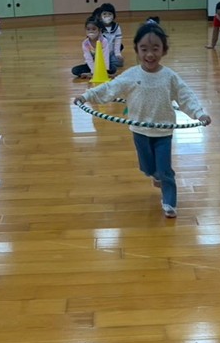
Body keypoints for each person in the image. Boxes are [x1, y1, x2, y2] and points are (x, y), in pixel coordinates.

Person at [73, 22, 211, 219]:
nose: (150, 54)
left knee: (165, 169)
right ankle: (155, 175)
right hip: (139, 131)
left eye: (155, 49)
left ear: (164, 50)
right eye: (144, 49)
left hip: (163, 131)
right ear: (137, 50)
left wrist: (199, 114)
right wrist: (86, 96)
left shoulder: (169, 77)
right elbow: (110, 89)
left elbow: (185, 96)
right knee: (147, 167)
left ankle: (169, 201)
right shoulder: (131, 75)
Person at [93, 3, 124, 73]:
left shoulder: (117, 27)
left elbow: (118, 41)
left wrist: (118, 54)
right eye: (104, 14)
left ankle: (108, 63)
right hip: (101, 53)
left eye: (110, 14)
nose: (107, 16)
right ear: (100, 16)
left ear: (114, 16)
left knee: (119, 62)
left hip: (112, 52)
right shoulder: (98, 27)